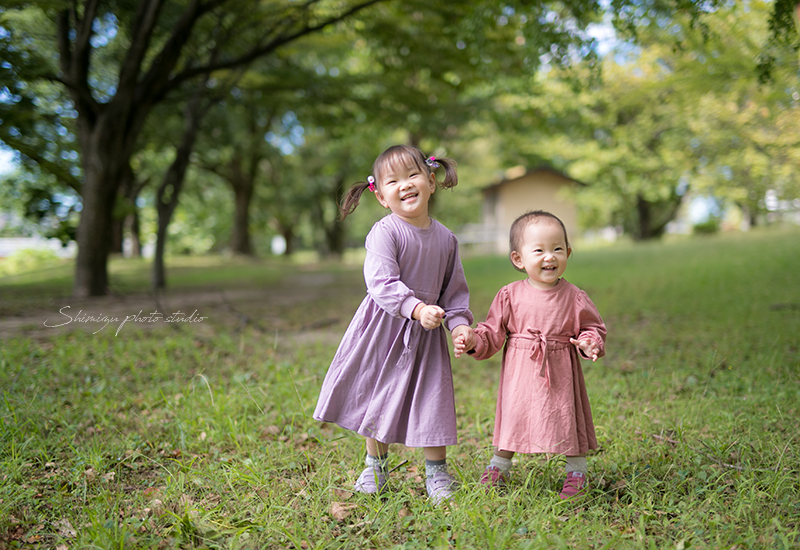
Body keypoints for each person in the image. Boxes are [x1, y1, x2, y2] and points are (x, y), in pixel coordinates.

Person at [313, 145, 473, 504]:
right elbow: (381, 282)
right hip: (384, 329)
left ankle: (437, 473)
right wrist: (415, 308)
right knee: (379, 396)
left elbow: (455, 292)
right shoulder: (385, 232)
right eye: (393, 181)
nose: (405, 185)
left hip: (427, 334)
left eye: (413, 175)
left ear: (431, 182)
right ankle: (376, 466)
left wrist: (460, 325)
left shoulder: (446, 239)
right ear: (382, 196)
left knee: (433, 398)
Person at [454, 210, 606, 500]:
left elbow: (592, 326)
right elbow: (492, 332)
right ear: (518, 259)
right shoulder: (509, 295)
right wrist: (473, 338)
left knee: (564, 414)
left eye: (557, 249)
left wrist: (589, 342)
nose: (549, 257)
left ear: (568, 253)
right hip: (520, 372)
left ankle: (577, 470)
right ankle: (499, 465)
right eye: (539, 250)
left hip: (559, 369)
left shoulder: (574, 296)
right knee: (514, 416)